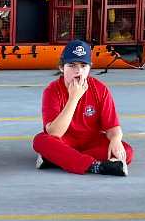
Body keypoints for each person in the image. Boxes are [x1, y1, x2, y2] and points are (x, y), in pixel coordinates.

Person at [34, 41, 130, 176]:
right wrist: (74, 98)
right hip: (65, 139)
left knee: (127, 151)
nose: (78, 71)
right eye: (72, 66)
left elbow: (112, 127)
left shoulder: (100, 89)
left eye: (83, 66)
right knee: (41, 141)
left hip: (92, 140)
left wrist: (115, 139)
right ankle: (95, 166)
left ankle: (58, 159)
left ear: (89, 68)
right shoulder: (52, 91)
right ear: (62, 68)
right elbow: (55, 133)